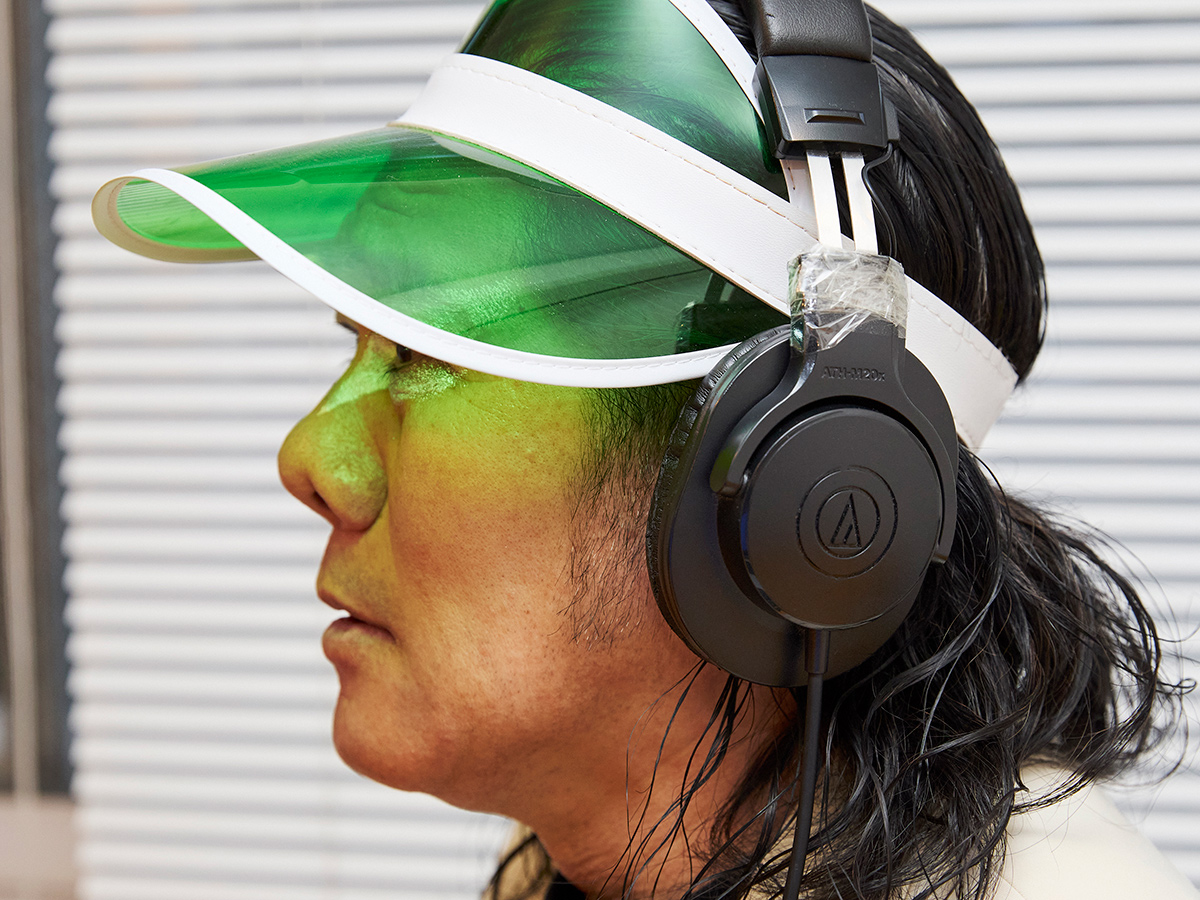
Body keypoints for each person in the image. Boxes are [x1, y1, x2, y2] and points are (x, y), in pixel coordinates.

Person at [91, 0, 1195, 898]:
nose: (311, 459)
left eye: (431, 356)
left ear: (793, 481)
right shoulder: (581, 870)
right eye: (364, 348)